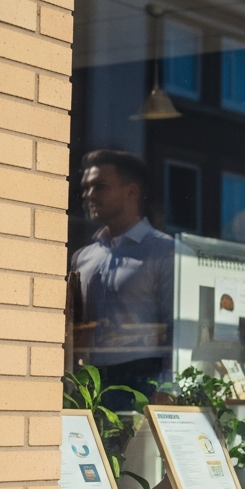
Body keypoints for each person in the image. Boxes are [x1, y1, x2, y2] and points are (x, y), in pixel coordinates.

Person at [69, 150, 175, 408]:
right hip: (88, 381)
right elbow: (74, 325)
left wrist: (169, 387)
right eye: (86, 188)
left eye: (100, 187)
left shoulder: (163, 251)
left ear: (131, 192)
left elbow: (178, 327)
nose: (88, 195)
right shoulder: (83, 257)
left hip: (141, 381)